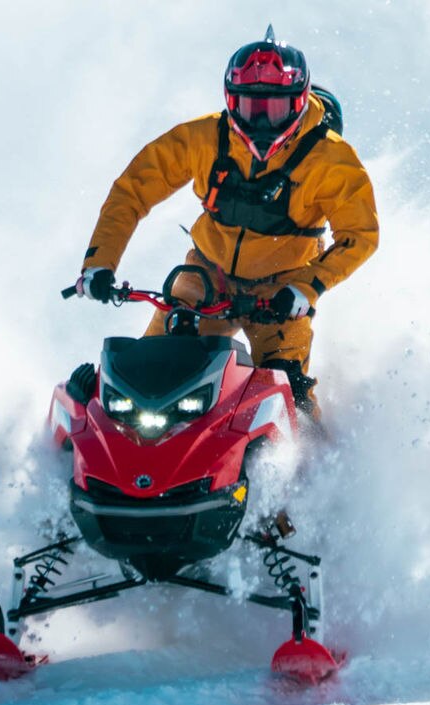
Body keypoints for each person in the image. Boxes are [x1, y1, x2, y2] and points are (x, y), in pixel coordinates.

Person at [76, 27, 378, 419]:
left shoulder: (332, 159)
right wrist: (100, 263)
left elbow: (360, 236)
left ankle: (313, 471)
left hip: (281, 293)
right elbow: (131, 191)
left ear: (299, 102)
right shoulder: (203, 138)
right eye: (252, 108)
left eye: (275, 109)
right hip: (206, 276)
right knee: (148, 371)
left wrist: (307, 288)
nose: (262, 122)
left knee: (290, 398)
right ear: (230, 100)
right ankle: (110, 451)